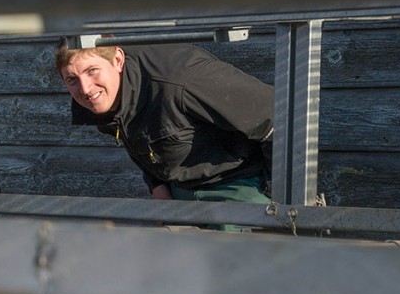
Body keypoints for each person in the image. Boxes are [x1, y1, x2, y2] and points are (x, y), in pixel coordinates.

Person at [55, 39, 273, 209]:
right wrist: (157, 189)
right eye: (72, 80)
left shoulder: (182, 81)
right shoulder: (103, 96)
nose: (85, 89)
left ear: (118, 60)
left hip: (238, 183)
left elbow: (275, 114)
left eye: (92, 71)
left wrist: (278, 197)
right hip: (180, 192)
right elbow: (136, 136)